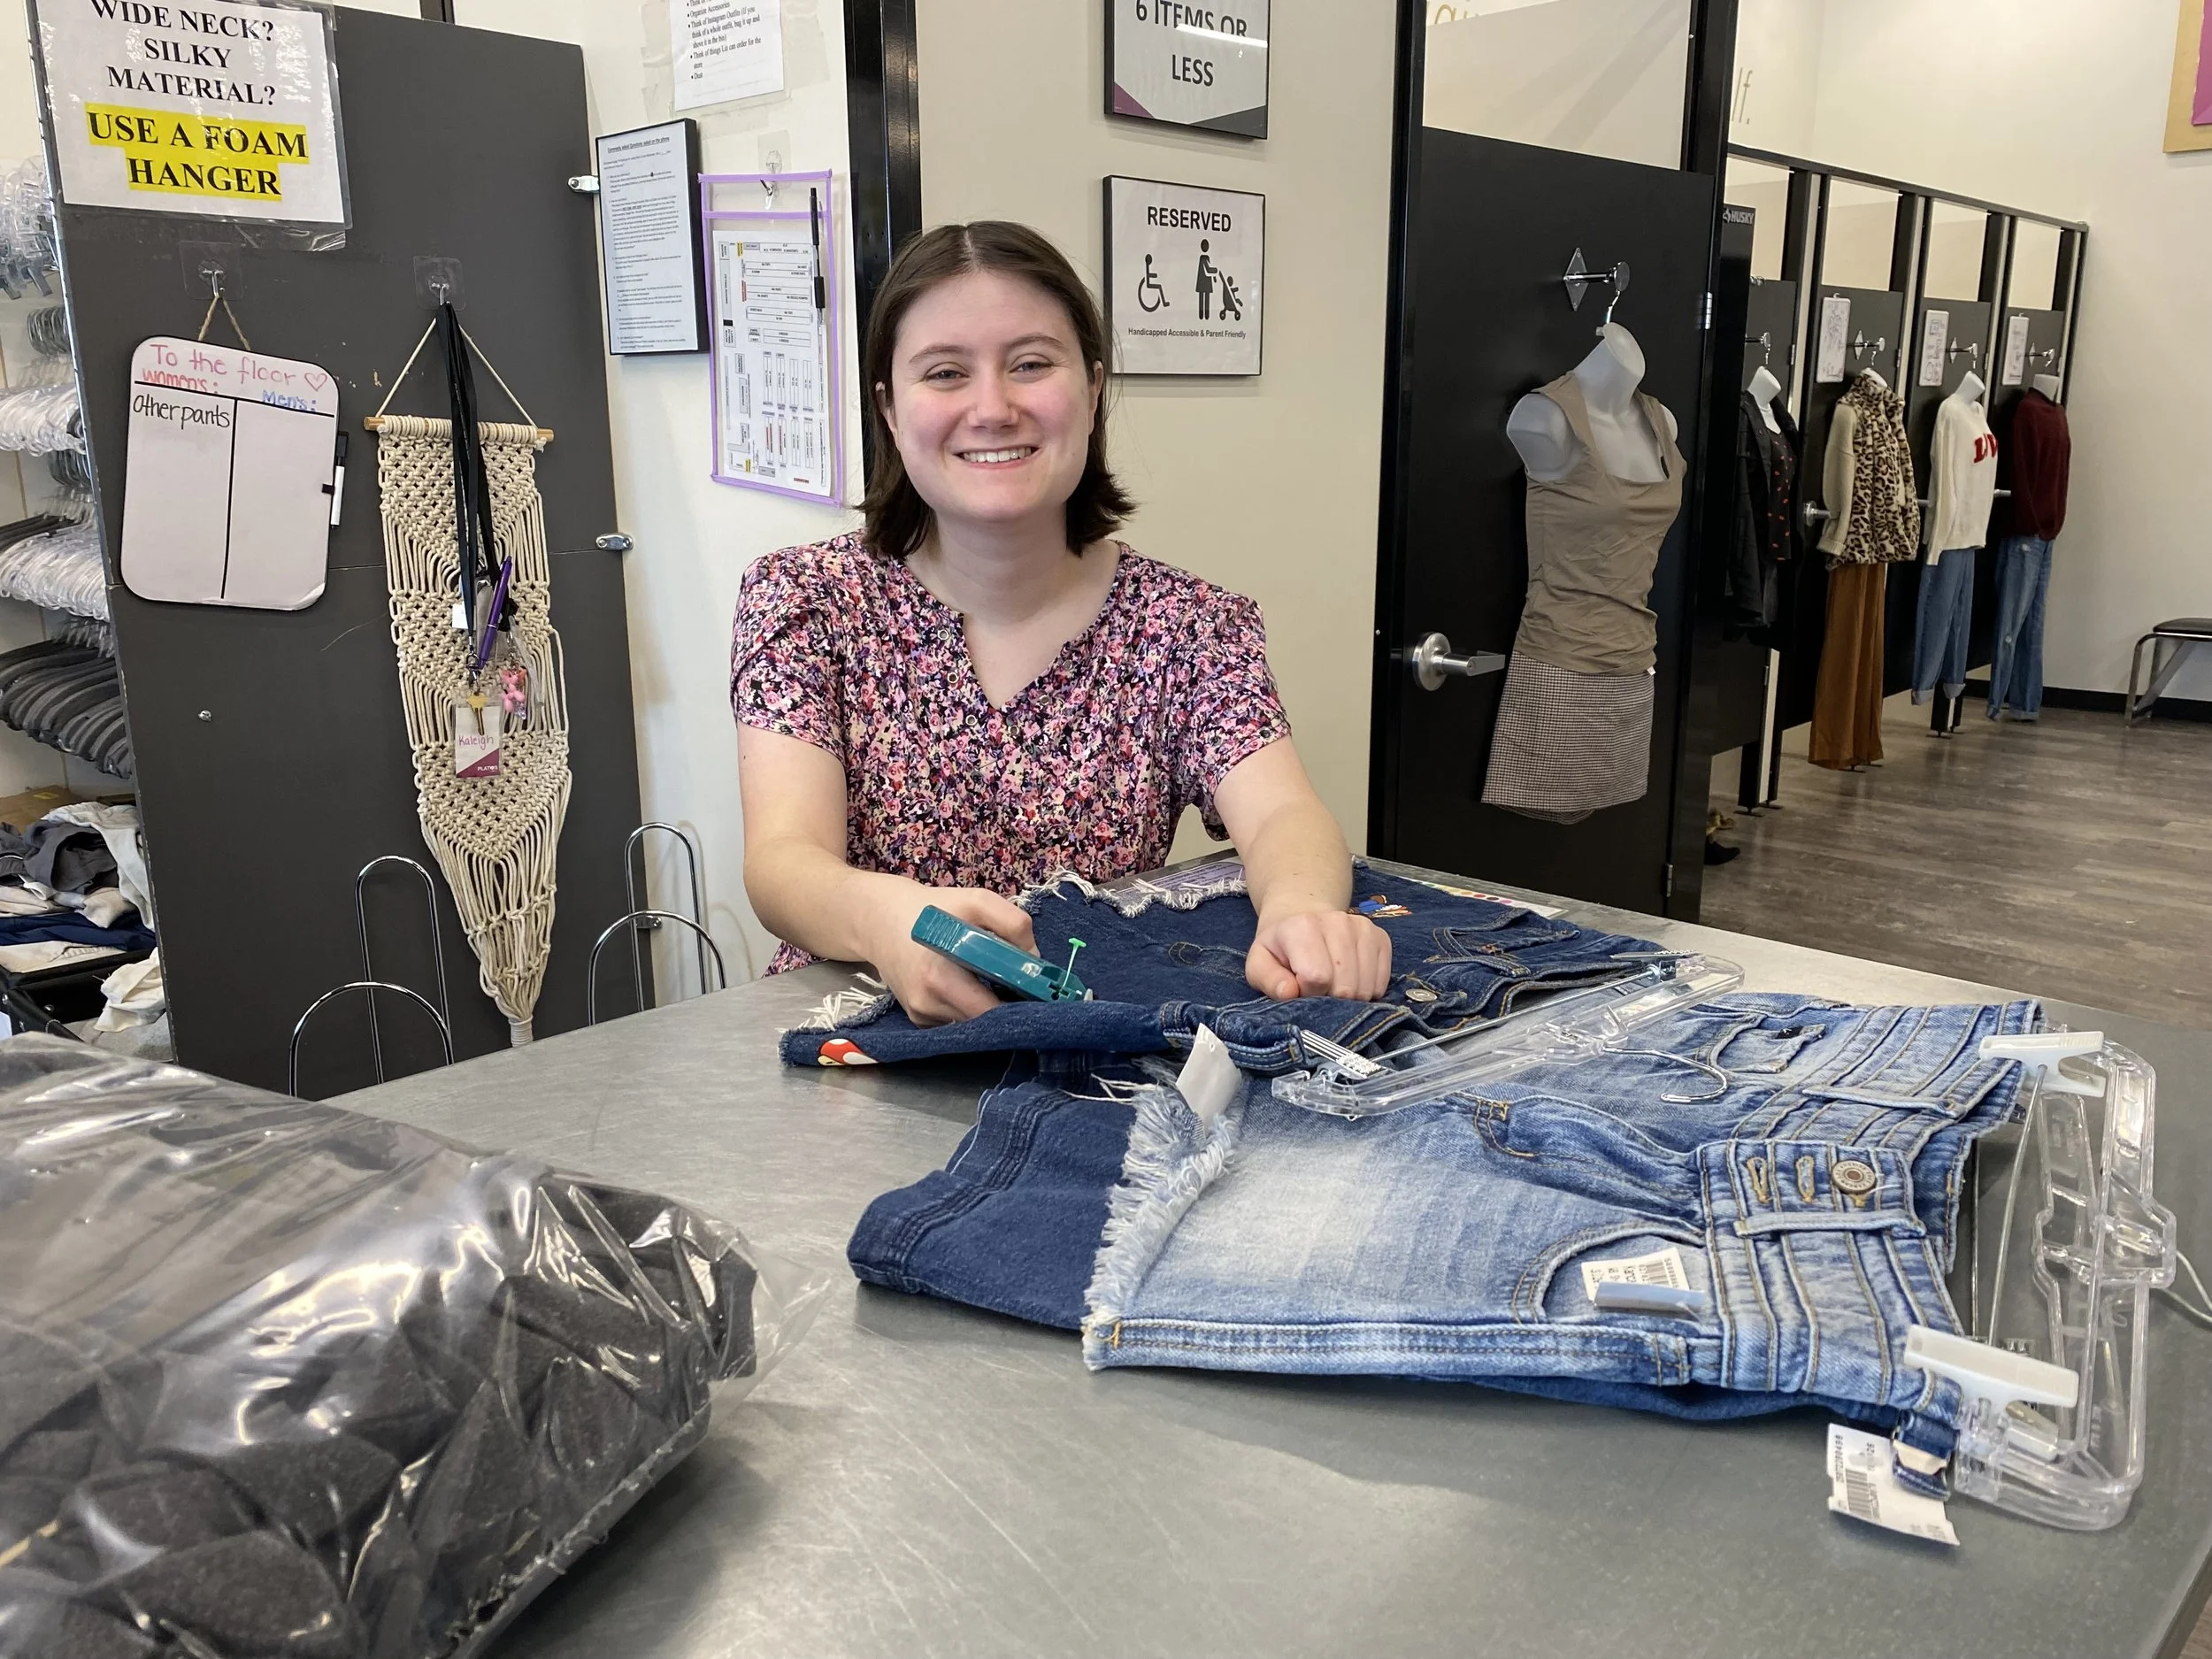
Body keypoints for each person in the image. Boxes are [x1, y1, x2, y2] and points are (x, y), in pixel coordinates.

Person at [733, 220, 1389, 1025]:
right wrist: (888, 917)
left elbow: (1284, 812)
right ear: (891, 411)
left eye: (1031, 364)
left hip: (1084, 1048)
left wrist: (1302, 910)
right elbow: (782, 861)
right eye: (945, 373)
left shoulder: (1190, 626)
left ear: (1092, 389)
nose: (992, 407)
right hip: (849, 1036)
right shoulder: (804, 598)